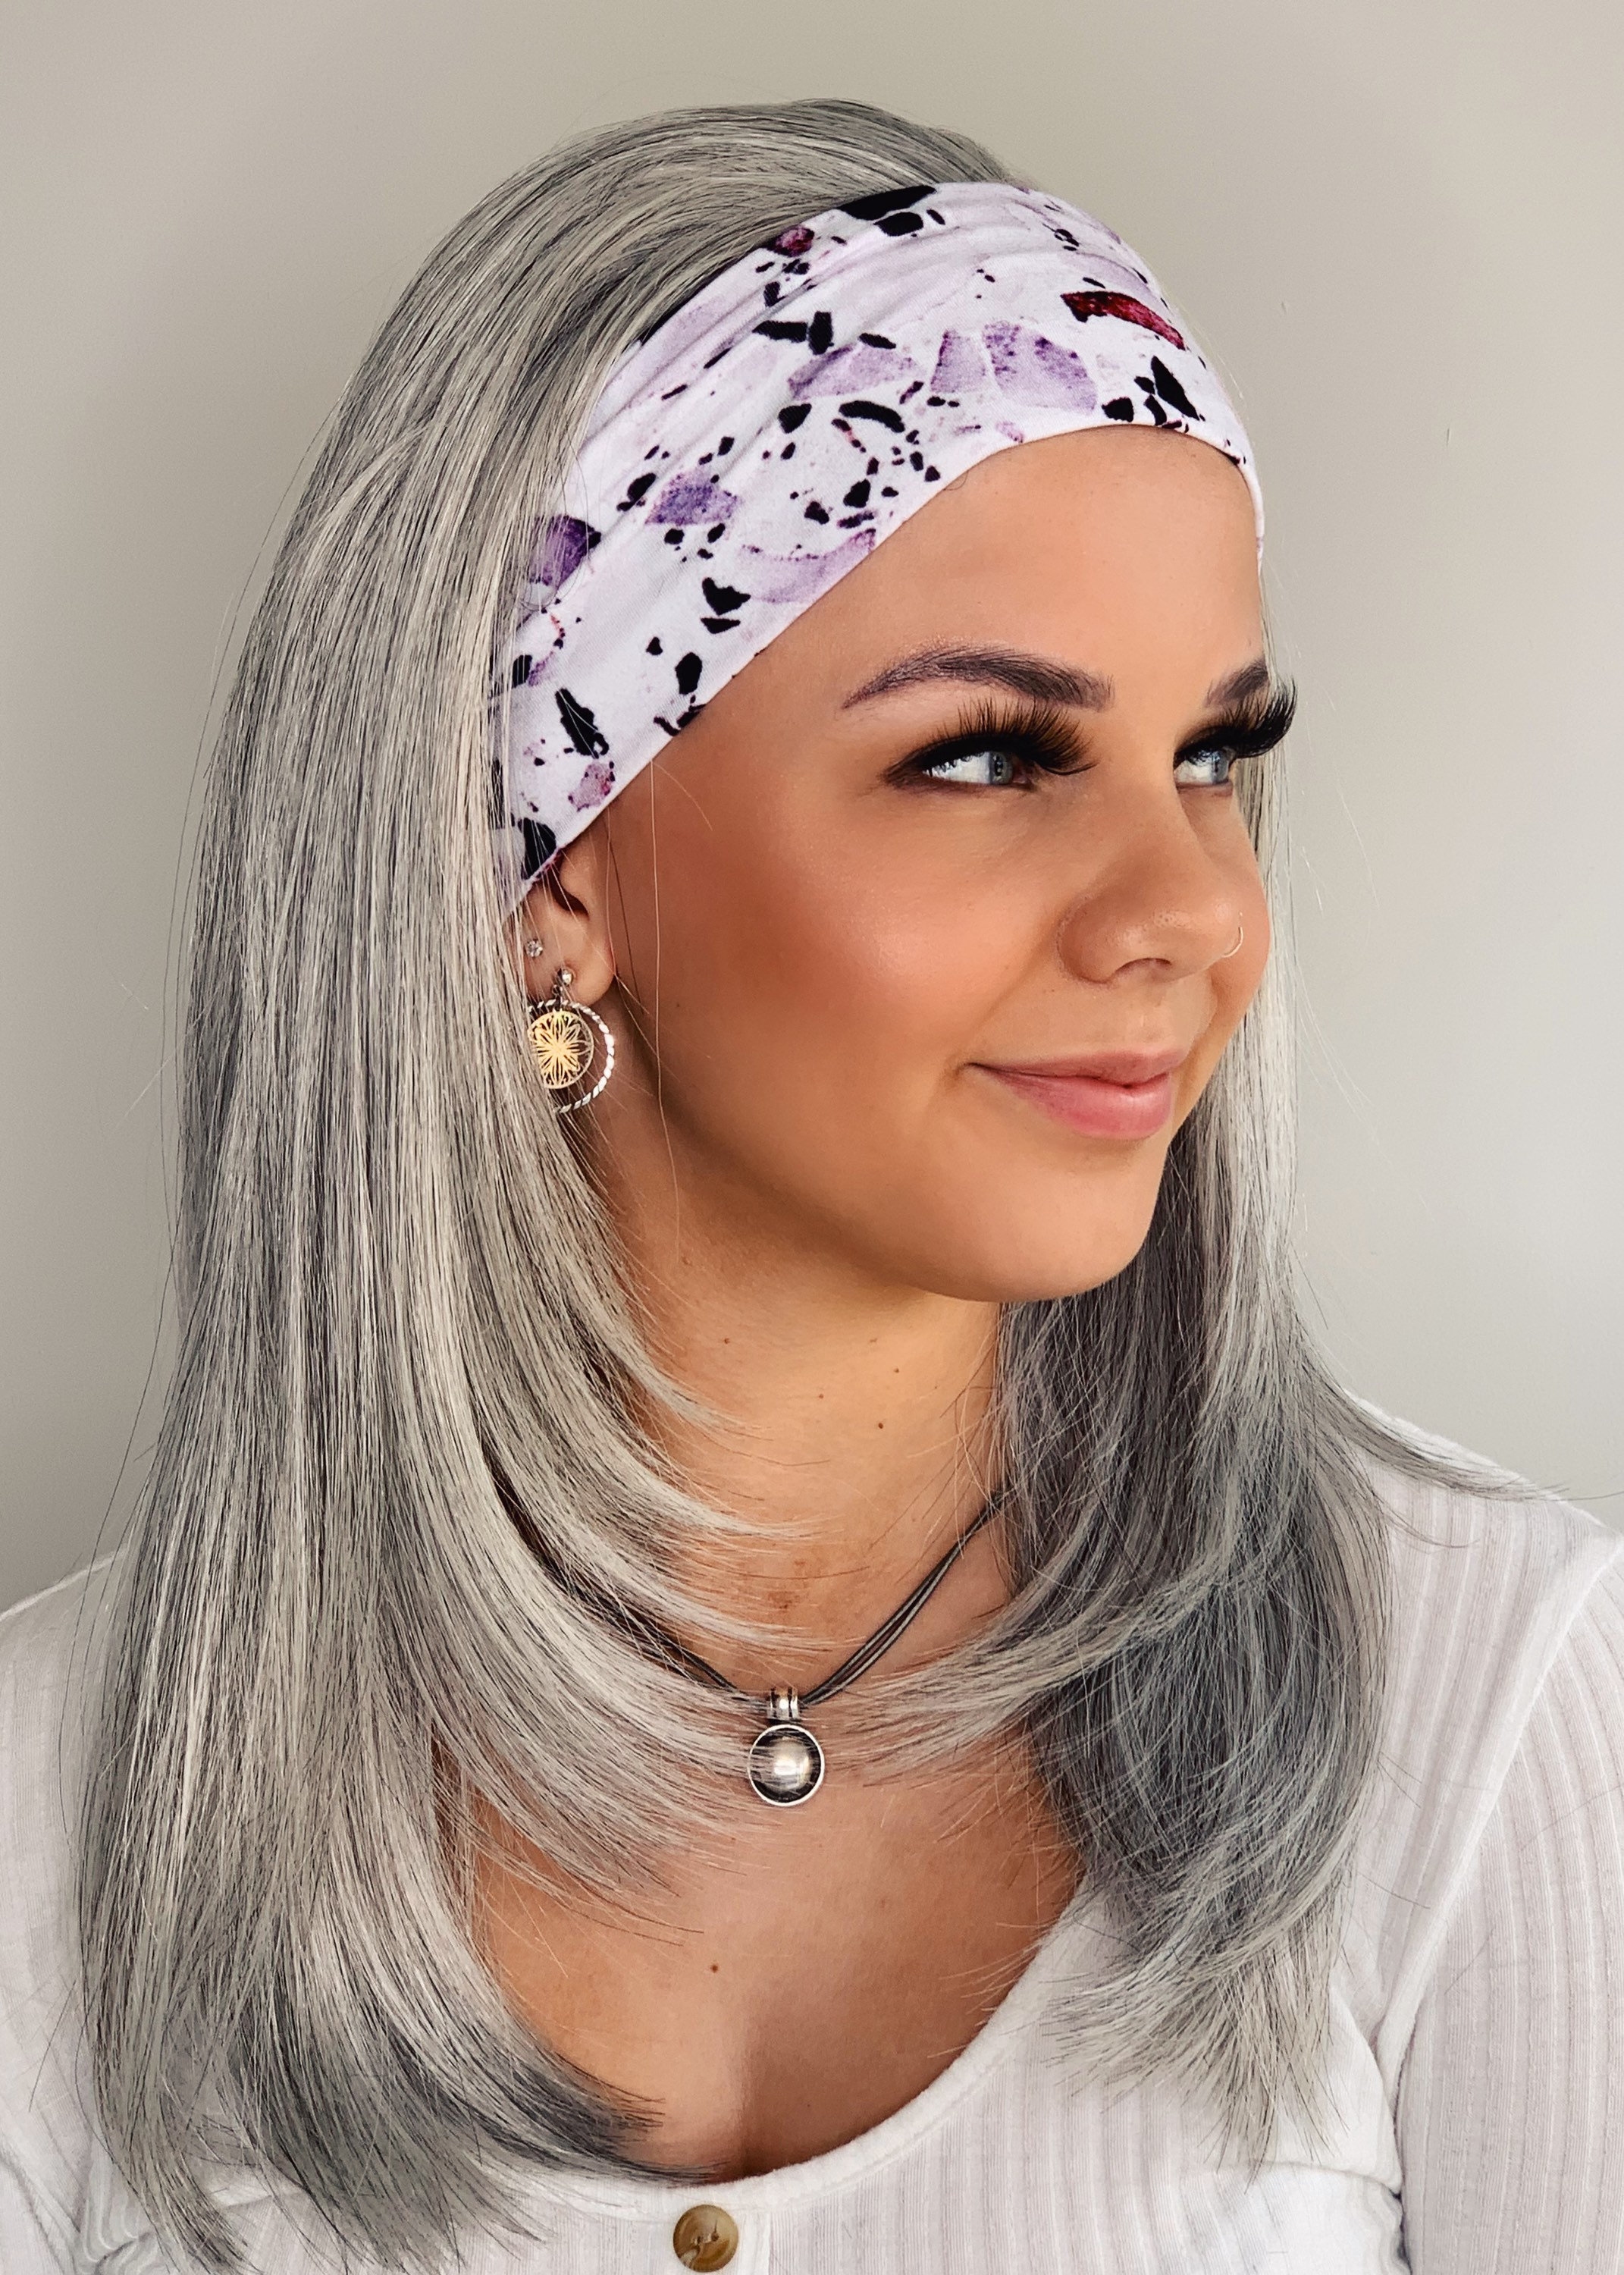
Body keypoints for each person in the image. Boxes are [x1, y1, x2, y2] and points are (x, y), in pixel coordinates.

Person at [2, 96, 1620, 2275]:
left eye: (1216, 755)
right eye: (989, 755)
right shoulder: (56, 1824)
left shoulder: (1497, 1708)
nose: (1192, 911)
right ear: (553, 879)